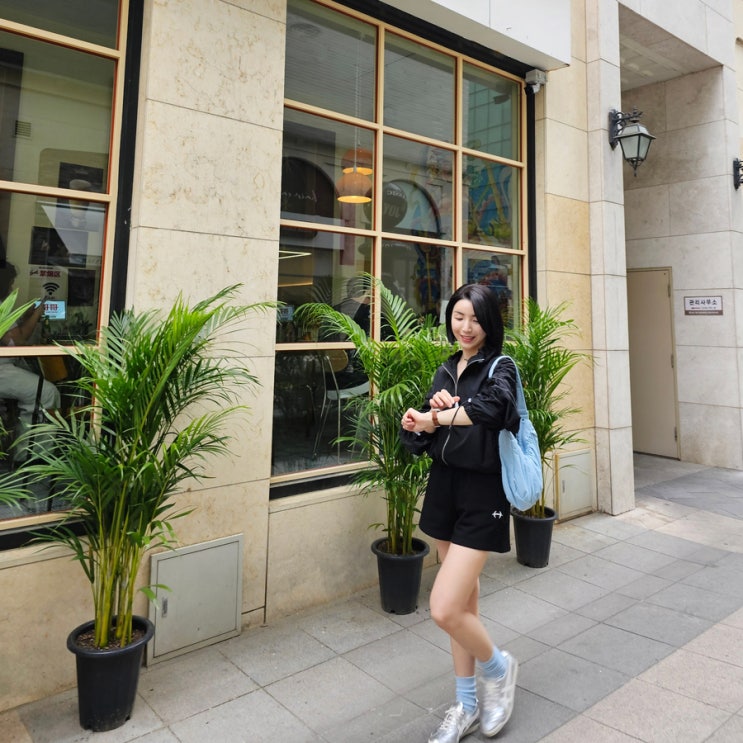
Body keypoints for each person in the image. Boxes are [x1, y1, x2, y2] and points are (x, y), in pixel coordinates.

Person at [400, 283, 520, 742]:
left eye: (475, 319)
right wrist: (418, 423)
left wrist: (439, 417)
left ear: (489, 323)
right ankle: (467, 704)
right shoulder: (446, 369)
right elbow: (421, 441)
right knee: (463, 605)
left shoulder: (500, 367)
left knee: (444, 607)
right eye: (458, 317)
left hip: (483, 494)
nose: (466, 327)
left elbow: (492, 409)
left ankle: (499, 667)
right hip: (443, 490)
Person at [0, 261, 61, 463]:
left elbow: (12, 334)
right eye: (10, 283)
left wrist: (27, 316)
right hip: (2, 369)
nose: (12, 288)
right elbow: (17, 341)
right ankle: (29, 457)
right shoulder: (1, 307)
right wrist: (36, 313)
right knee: (46, 392)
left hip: (7, 366)